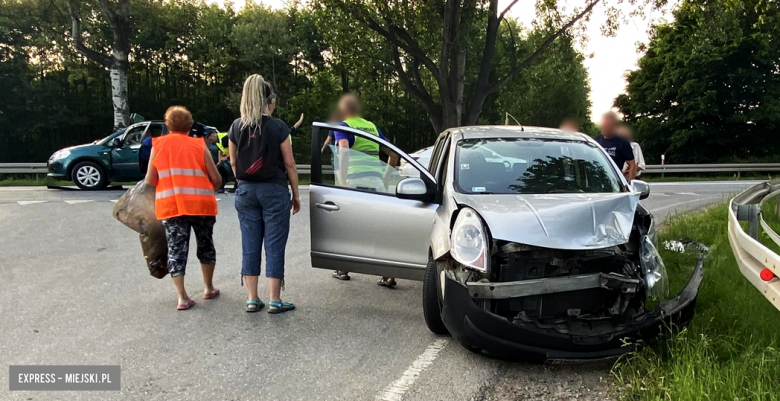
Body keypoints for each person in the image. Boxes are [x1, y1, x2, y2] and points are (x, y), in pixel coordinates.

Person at [229, 74, 301, 314]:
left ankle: (251, 298)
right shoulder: (278, 127)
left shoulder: (236, 126)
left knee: (249, 243)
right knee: (274, 245)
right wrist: (296, 194)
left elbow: (232, 160)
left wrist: (243, 183)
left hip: (246, 190)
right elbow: (290, 164)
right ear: (268, 99)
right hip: (274, 190)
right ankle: (275, 299)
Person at [145, 106, 222, 311]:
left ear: (168, 125)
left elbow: (150, 179)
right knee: (205, 245)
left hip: (172, 207)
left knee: (176, 250)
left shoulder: (158, 146)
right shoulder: (199, 145)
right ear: (190, 125)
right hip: (201, 205)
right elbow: (216, 179)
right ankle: (208, 287)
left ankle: (182, 297)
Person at [330, 94, 399, 288]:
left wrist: (342, 180)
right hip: (375, 183)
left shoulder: (343, 127)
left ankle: (343, 270)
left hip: (355, 183)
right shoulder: (372, 128)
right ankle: (389, 274)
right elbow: (393, 154)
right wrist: (384, 178)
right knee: (378, 227)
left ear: (344, 111)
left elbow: (343, 150)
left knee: (348, 226)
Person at [594, 112, 636, 182]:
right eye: (604, 124)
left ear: (614, 125)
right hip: (597, 182)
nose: (606, 127)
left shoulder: (622, 142)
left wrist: (630, 184)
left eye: (608, 125)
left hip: (615, 182)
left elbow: (632, 165)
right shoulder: (595, 141)